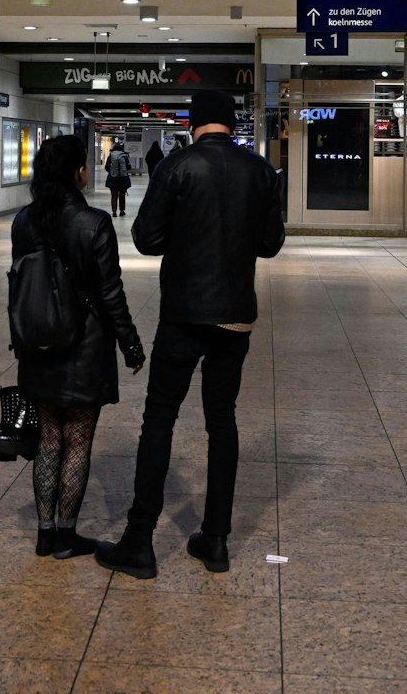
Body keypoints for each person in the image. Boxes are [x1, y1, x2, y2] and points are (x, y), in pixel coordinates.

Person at [98, 90, 284, 580]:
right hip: (235, 316)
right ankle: (216, 540)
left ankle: (140, 541)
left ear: (196, 124)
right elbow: (270, 244)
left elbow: (146, 238)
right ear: (230, 124)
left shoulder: (176, 167)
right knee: (222, 420)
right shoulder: (261, 171)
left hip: (183, 313)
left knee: (159, 418)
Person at [11, 135, 145, 559]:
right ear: (76, 173)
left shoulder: (24, 221)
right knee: (78, 438)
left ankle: (45, 532)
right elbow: (110, 293)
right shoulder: (94, 223)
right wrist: (131, 343)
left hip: (38, 341)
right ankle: (68, 534)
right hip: (84, 343)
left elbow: (19, 285)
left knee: (49, 435)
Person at [103, 143, 132, 216]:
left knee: (114, 196)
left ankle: (114, 212)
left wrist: (111, 172)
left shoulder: (111, 156)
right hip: (123, 179)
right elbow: (128, 167)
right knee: (122, 195)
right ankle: (122, 211)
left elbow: (106, 167)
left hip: (113, 179)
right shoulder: (124, 156)